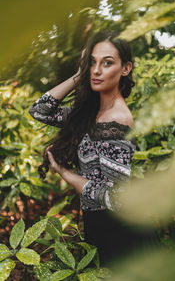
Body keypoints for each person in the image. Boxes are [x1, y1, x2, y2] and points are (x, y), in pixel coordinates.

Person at [29, 30, 158, 265]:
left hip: (121, 234)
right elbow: (39, 110)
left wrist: (64, 173)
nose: (97, 70)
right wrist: (79, 75)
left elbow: (114, 198)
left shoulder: (117, 119)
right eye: (92, 62)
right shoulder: (90, 113)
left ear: (125, 68)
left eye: (107, 63)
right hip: (99, 226)